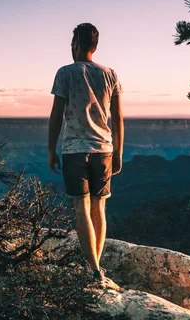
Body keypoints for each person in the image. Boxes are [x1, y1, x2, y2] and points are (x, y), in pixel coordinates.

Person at [47, 23, 124, 281]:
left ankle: (93, 270)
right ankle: (96, 268)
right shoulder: (111, 74)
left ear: (76, 44)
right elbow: (118, 118)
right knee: (99, 208)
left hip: (74, 151)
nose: (71, 48)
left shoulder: (65, 73)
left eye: (72, 43)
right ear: (96, 46)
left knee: (81, 209)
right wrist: (118, 152)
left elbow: (56, 114)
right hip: (104, 149)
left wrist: (50, 149)